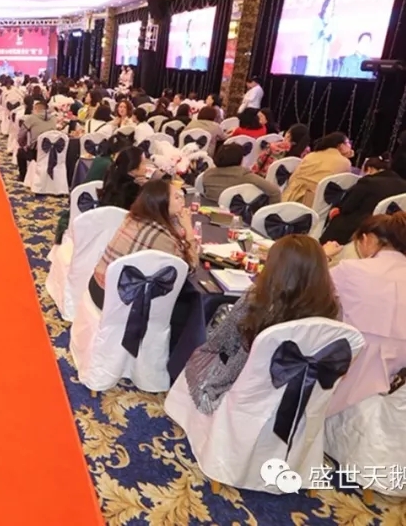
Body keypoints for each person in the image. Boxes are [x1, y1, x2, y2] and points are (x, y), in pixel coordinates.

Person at [183, 235, 340, 414]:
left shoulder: (257, 302)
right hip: (295, 394)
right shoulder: (332, 310)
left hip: (242, 386)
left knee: (207, 338)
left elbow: (219, 343)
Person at [325, 213, 406, 415]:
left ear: (367, 239)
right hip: (404, 389)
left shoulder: (350, 270)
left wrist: (323, 255)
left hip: (351, 380)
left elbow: (308, 290)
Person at [88, 179, 200, 310]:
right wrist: (188, 230)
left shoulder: (134, 218)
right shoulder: (162, 237)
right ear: (161, 202)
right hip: (115, 301)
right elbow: (190, 267)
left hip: (98, 285)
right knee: (183, 305)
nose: (182, 201)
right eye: (176, 197)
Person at [319, 157, 406, 245]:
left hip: (363, 223)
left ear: (370, 169)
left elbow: (347, 206)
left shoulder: (368, 182)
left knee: (339, 217)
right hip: (390, 225)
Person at [281, 132, 354, 207]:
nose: (350, 146)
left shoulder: (311, 155)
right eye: (348, 143)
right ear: (340, 145)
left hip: (289, 198)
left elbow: (292, 179)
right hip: (315, 204)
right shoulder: (345, 163)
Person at [200, 143, 281, 207]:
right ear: (240, 159)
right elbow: (275, 192)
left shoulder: (207, 174)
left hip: (207, 212)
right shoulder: (244, 175)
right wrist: (267, 213)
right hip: (235, 217)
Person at [16, 99, 57, 182]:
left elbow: (21, 135)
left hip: (36, 152)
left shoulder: (32, 118)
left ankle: (22, 176)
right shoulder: (54, 118)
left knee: (20, 152)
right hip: (52, 152)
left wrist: (23, 145)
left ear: (36, 109)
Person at [307, 0, 337, 77]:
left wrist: (329, 33)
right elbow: (314, 36)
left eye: (333, 5)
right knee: (312, 72)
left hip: (325, 52)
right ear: (326, 5)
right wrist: (325, 30)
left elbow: (332, 37)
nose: (331, 7)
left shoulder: (333, 20)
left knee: (321, 73)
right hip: (315, 50)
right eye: (330, 4)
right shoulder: (317, 19)